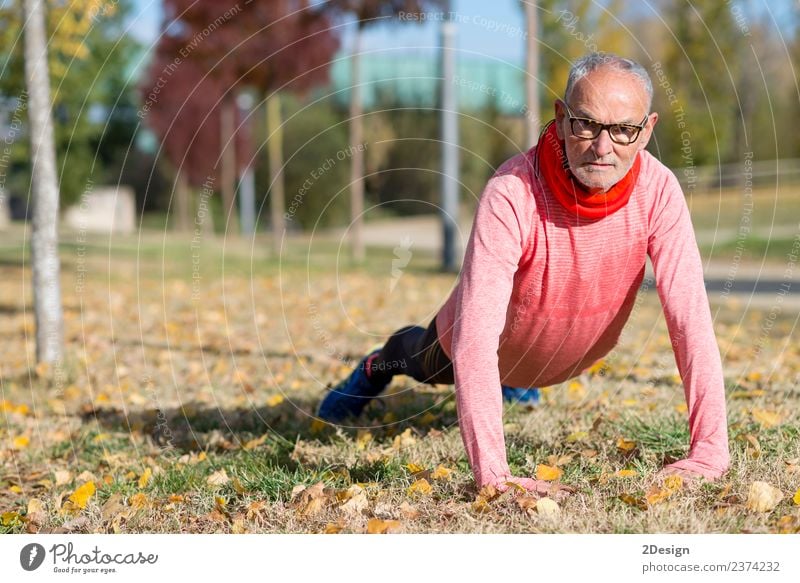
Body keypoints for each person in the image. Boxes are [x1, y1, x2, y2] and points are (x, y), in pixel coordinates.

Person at [317, 52, 729, 495]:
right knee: (417, 356)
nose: (602, 146)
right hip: (483, 346)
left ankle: (513, 383)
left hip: (567, 355)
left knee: (512, 374)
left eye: (623, 130)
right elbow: (475, 337)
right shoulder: (512, 193)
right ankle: (378, 366)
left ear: (646, 131)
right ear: (561, 116)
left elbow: (690, 319)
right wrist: (495, 477)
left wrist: (710, 449)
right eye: (586, 124)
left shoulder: (660, 191)